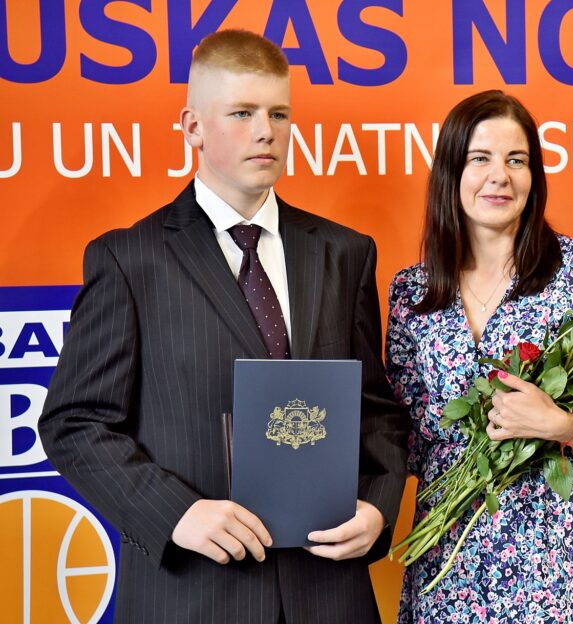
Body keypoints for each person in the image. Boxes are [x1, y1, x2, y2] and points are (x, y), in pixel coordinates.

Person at [38, 30, 408, 624]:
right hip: (190, 597)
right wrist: (176, 513)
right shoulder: (128, 259)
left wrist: (378, 508)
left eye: (279, 114)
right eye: (242, 113)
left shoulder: (345, 253)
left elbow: (377, 412)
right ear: (193, 127)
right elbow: (74, 423)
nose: (266, 131)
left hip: (328, 595)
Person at [385, 90, 573, 622]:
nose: (499, 177)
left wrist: (559, 423)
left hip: (556, 561)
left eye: (516, 160)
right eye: (480, 158)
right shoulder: (412, 293)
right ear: (451, 172)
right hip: (449, 560)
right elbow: (399, 436)